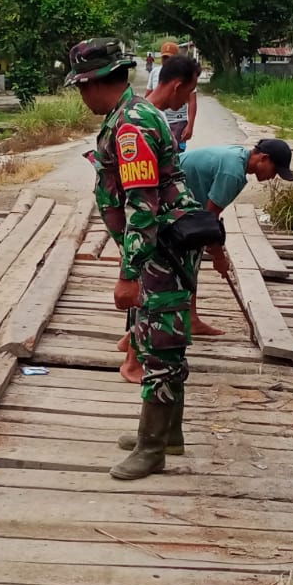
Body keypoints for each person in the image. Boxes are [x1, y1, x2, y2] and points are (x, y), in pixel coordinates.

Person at [68, 38, 198, 481]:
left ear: (93, 83)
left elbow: (143, 206)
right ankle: (167, 435)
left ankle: (152, 448)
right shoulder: (130, 116)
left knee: (160, 343)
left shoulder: (131, 127)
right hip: (161, 247)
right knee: (159, 338)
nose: (80, 95)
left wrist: (128, 275)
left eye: (80, 86)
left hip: (160, 248)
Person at [116, 139, 293, 359]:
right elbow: (208, 221)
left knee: (191, 261)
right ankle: (131, 338)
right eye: (275, 170)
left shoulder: (238, 156)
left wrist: (214, 250)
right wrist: (219, 257)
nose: (272, 177)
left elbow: (206, 219)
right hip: (163, 205)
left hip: (179, 205)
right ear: (263, 158)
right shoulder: (233, 173)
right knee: (161, 273)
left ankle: (191, 318)